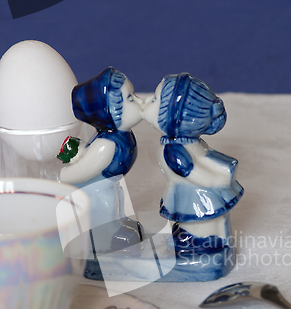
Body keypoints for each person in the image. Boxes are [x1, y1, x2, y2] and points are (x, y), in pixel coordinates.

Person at [143, 72, 244, 255]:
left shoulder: (173, 150)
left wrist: (213, 182)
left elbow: (191, 171)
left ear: (174, 118)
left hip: (194, 194)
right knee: (202, 221)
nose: (149, 99)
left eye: (156, 99)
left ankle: (198, 242)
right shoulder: (187, 143)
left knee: (196, 220)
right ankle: (201, 239)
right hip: (198, 191)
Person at [58, 67, 144, 252]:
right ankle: (104, 242)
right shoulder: (106, 145)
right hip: (93, 191)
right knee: (105, 204)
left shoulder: (121, 135)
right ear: (110, 112)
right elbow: (82, 172)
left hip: (108, 184)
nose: (139, 101)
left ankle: (118, 224)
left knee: (116, 196)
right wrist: (62, 175)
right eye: (131, 98)